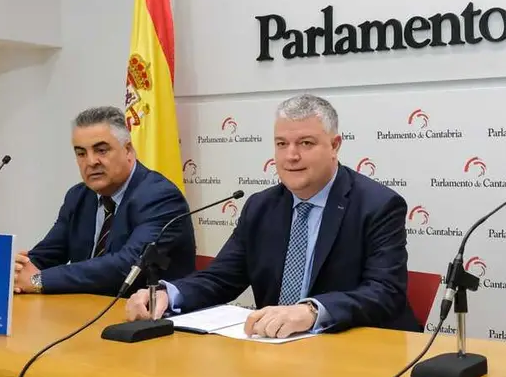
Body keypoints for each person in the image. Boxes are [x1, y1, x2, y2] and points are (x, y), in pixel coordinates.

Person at [125, 94, 420, 338]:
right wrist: (168, 294)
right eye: (281, 144)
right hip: (275, 348)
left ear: (334, 145)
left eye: (306, 143)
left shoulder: (378, 205)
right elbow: (221, 278)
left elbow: (384, 292)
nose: (291, 156)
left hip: (355, 350)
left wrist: (311, 311)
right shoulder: (260, 206)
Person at [14, 106, 196, 296]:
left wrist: (38, 280)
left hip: (147, 315)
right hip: (86, 311)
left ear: (128, 150)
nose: (91, 161)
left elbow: (128, 265)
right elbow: (48, 254)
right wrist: (16, 271)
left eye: (101, 150)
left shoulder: (160, 197)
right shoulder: (79, 196)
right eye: (81, 153)